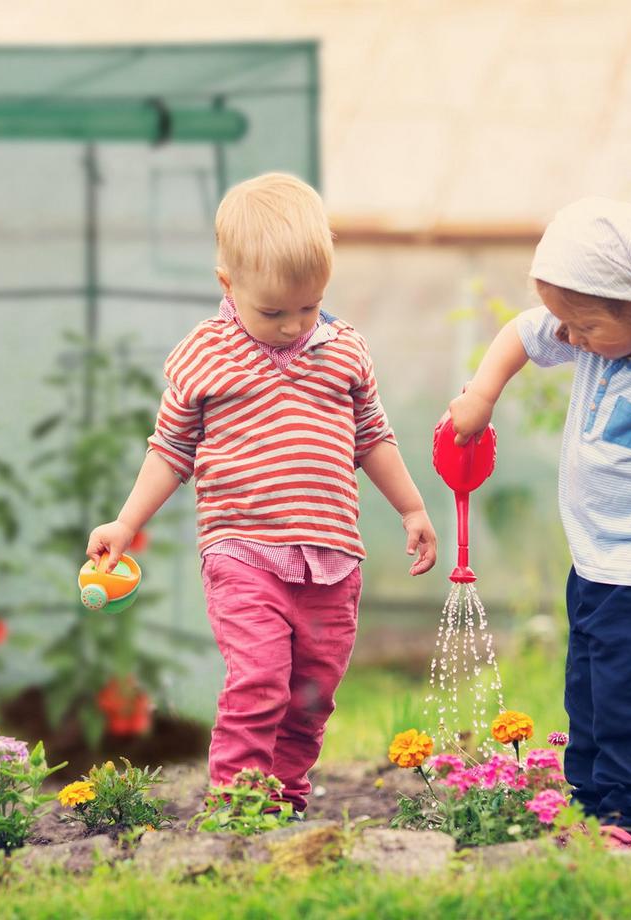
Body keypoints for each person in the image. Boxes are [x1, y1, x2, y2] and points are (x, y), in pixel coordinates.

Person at [87, 172, 438, 814]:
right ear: (228, 285)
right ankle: (237, 800)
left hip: (332, 557)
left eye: (307, 308)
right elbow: (170, 450)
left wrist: (412, 507)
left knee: (312, 690)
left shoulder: (345, 351)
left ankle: (285, 795)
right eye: (272, 311)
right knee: (260, 677)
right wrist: (124, 522)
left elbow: (373, 437)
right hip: (242, 551)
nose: (291, 325)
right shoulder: (205, 354)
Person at [449, 197, 631, 847]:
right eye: (565, 325)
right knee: (593, 695)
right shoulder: (592, 331)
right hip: (596, 566)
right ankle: (590, 802)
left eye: (580, 327)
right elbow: (521, 332)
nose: (568, 339)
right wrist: (483, 395)